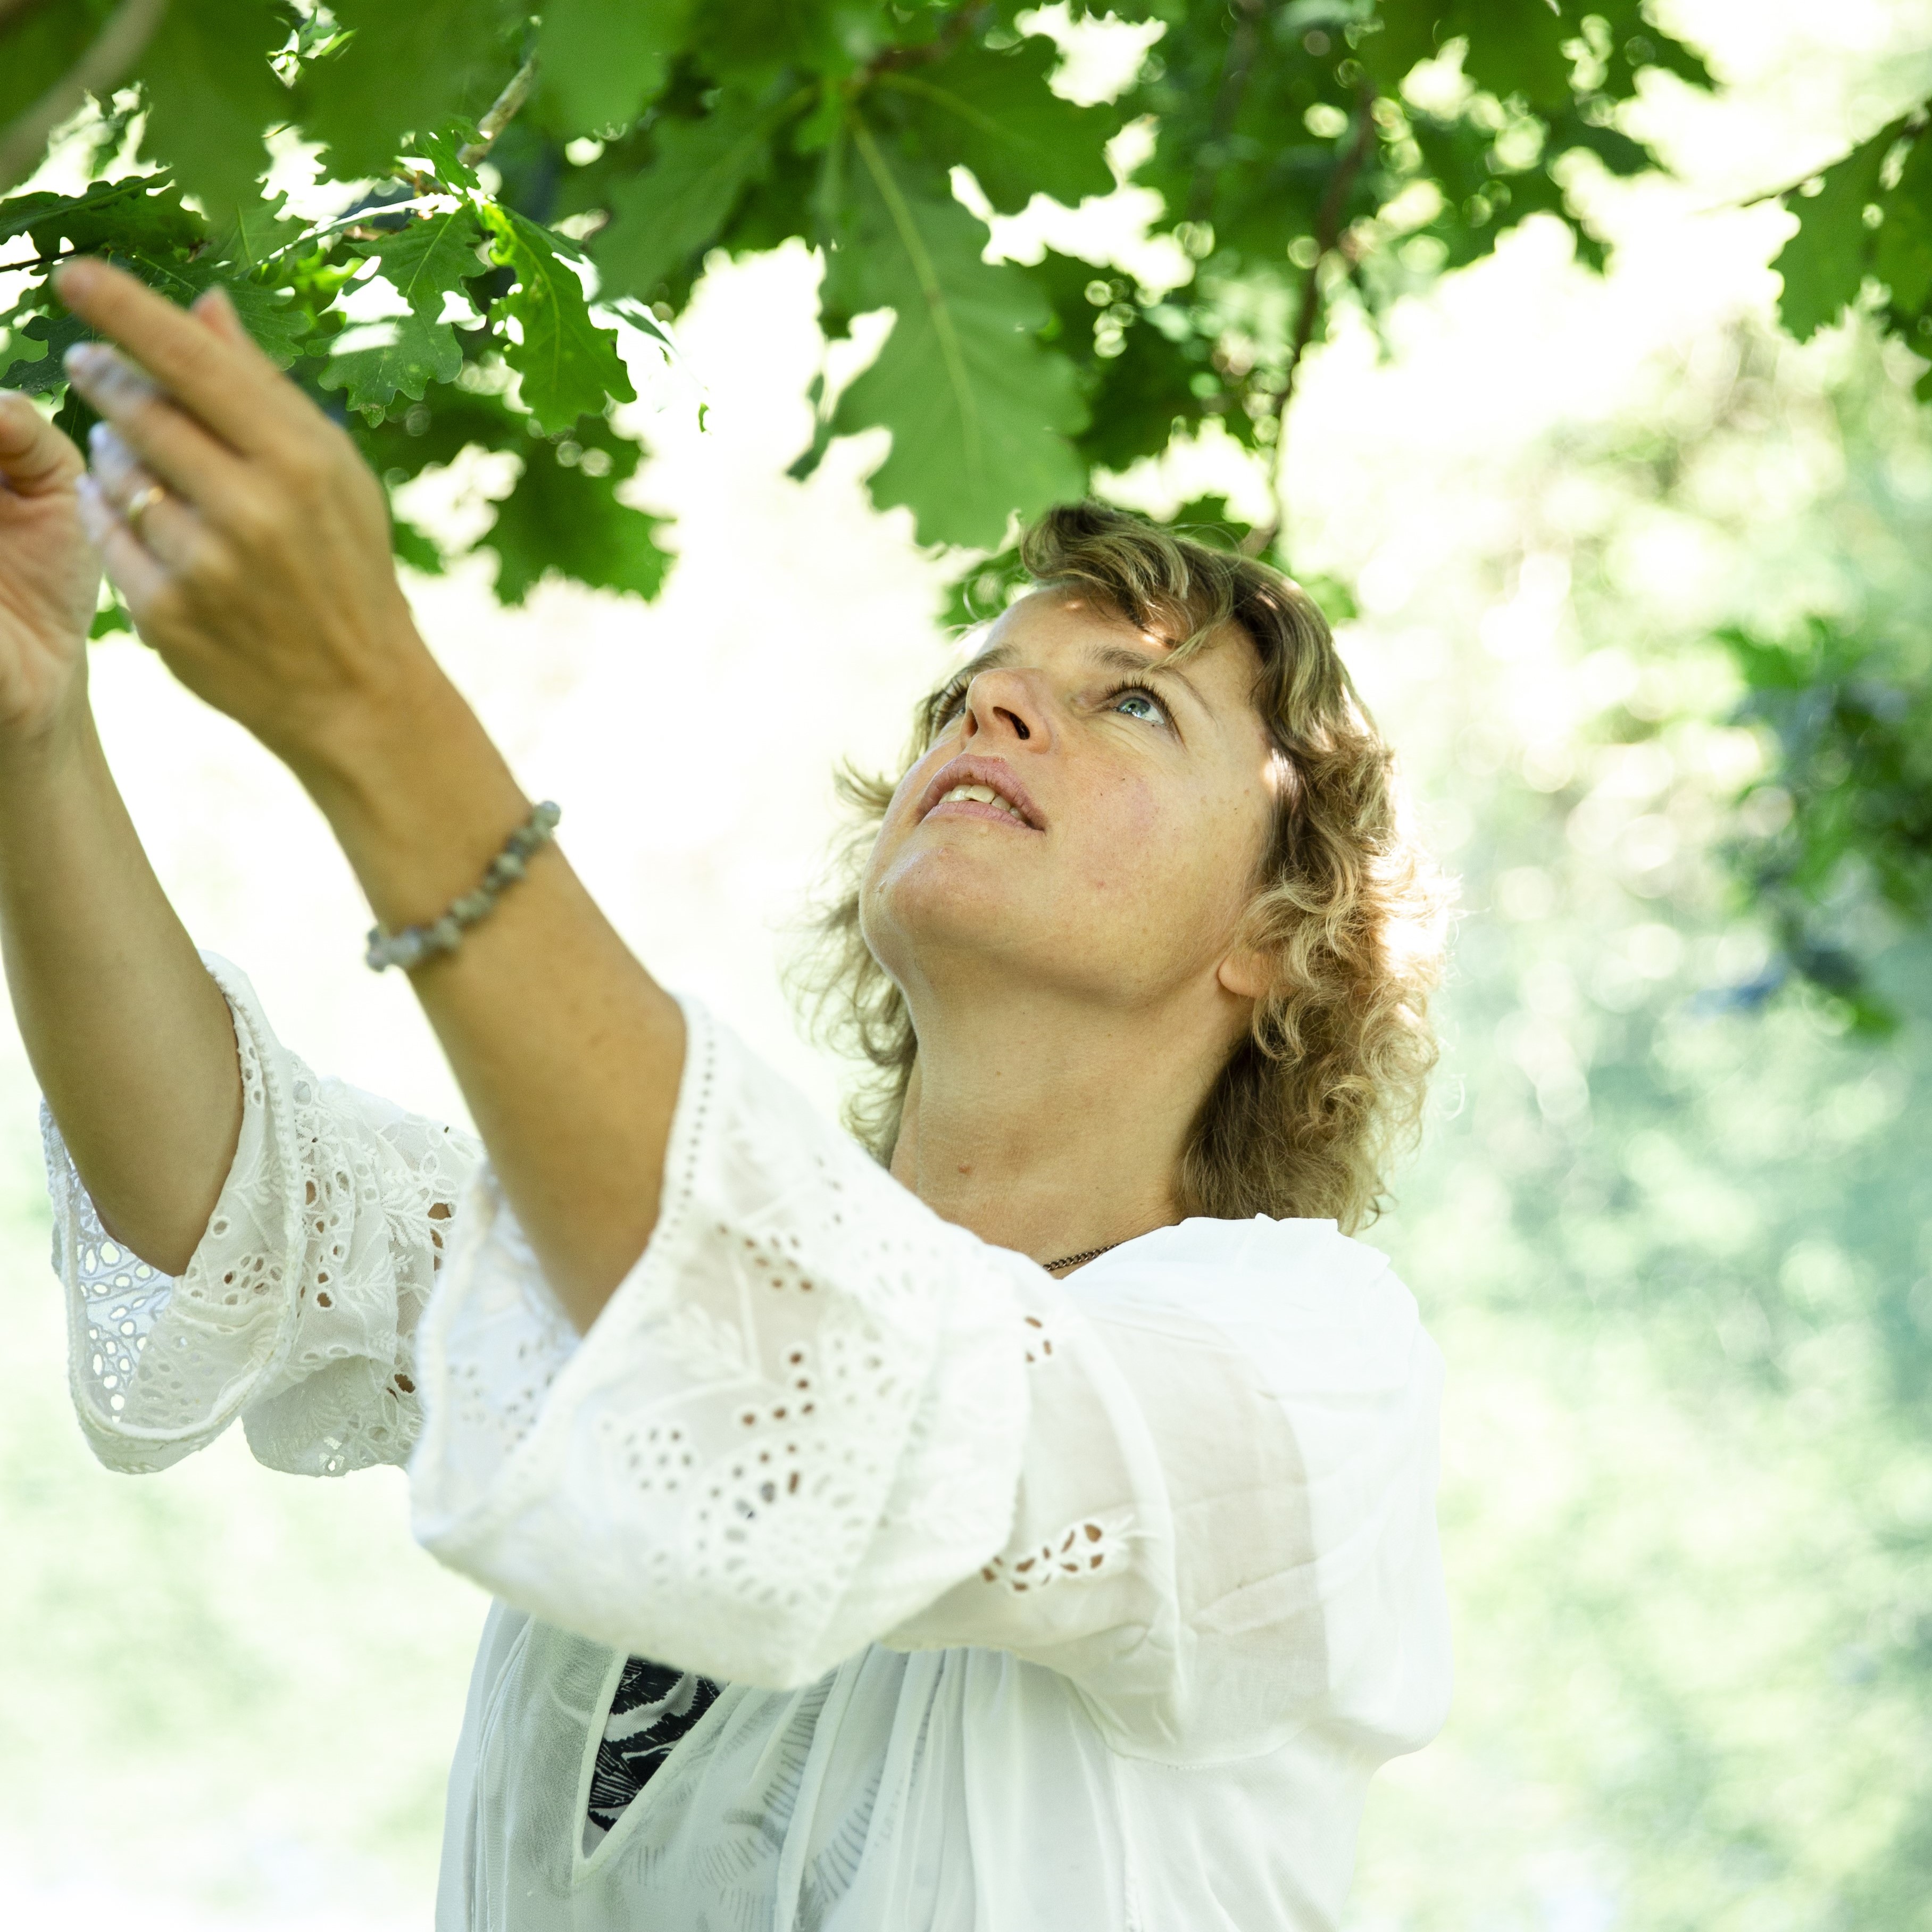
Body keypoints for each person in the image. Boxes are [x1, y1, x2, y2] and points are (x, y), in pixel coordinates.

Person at [0, 257, 1452, 1931]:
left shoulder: (1306, 1368)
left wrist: (369, 700)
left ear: (1284, 937)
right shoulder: (642, 1262)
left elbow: (848, 1404)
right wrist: (34, 724)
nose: (994, 703)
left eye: (1132, 700)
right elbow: (236, 1200)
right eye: (972, 688)